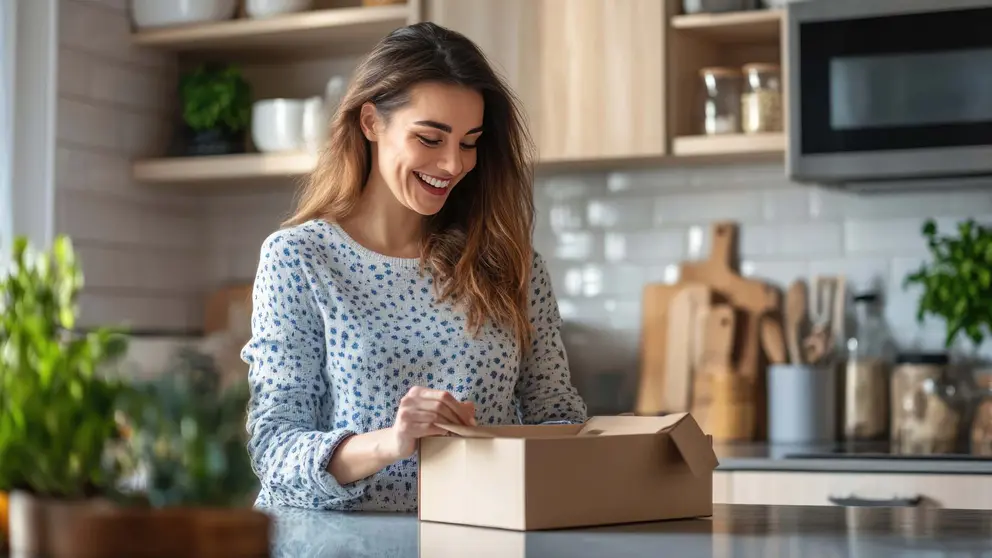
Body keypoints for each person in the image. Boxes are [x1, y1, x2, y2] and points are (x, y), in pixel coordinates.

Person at [241, 21, 588, 513]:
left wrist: (502, 450)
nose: (452, 164)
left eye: (469, 142)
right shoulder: (299, 258)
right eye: (430, 138)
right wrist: (391, 441)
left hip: (477, 539)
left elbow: (560, 420)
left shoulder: (512, 264)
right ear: (371, 123)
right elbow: (275, 450)